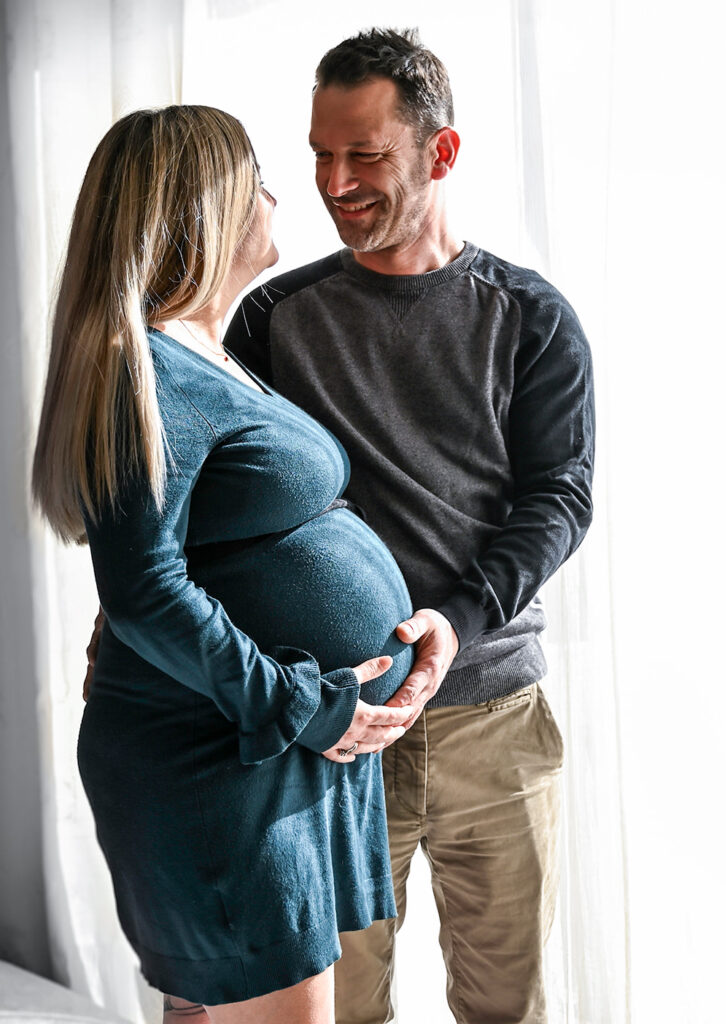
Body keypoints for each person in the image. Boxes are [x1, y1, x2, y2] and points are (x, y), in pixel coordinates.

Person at [223, 28, 595, 1024]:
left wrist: (457, 621)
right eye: (319, 153)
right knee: (334, 1010)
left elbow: (560, 496)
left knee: (506, 1009)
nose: (334, 181)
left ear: (442, 152)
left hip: (498, 731)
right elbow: (226, 506)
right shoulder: (271, 319)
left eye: (365, 154)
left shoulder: (530, 317)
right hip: (333, 732)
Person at [32, 104, 420, 1023]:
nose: (279, 194)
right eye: (254, 178)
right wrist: (301, 704)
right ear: (202, 208)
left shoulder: (210, 353)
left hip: (261, 755)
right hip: (222, 759)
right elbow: (145, 590)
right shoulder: (151, 370)